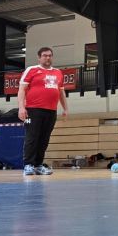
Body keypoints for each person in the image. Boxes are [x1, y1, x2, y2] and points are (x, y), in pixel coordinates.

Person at [17, 46, 69, 177]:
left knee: (44, 139)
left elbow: (61, 92)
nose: (48, 58)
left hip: (51, 111)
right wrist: (21, 108)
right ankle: (28, 165)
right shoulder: (32, 70)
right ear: (39, 57)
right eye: (45, 55)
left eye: (50, 55)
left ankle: (38, 165)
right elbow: (22, 90)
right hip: (33, 110)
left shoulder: (58, 72)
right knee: (32, 137)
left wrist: (65, 108)